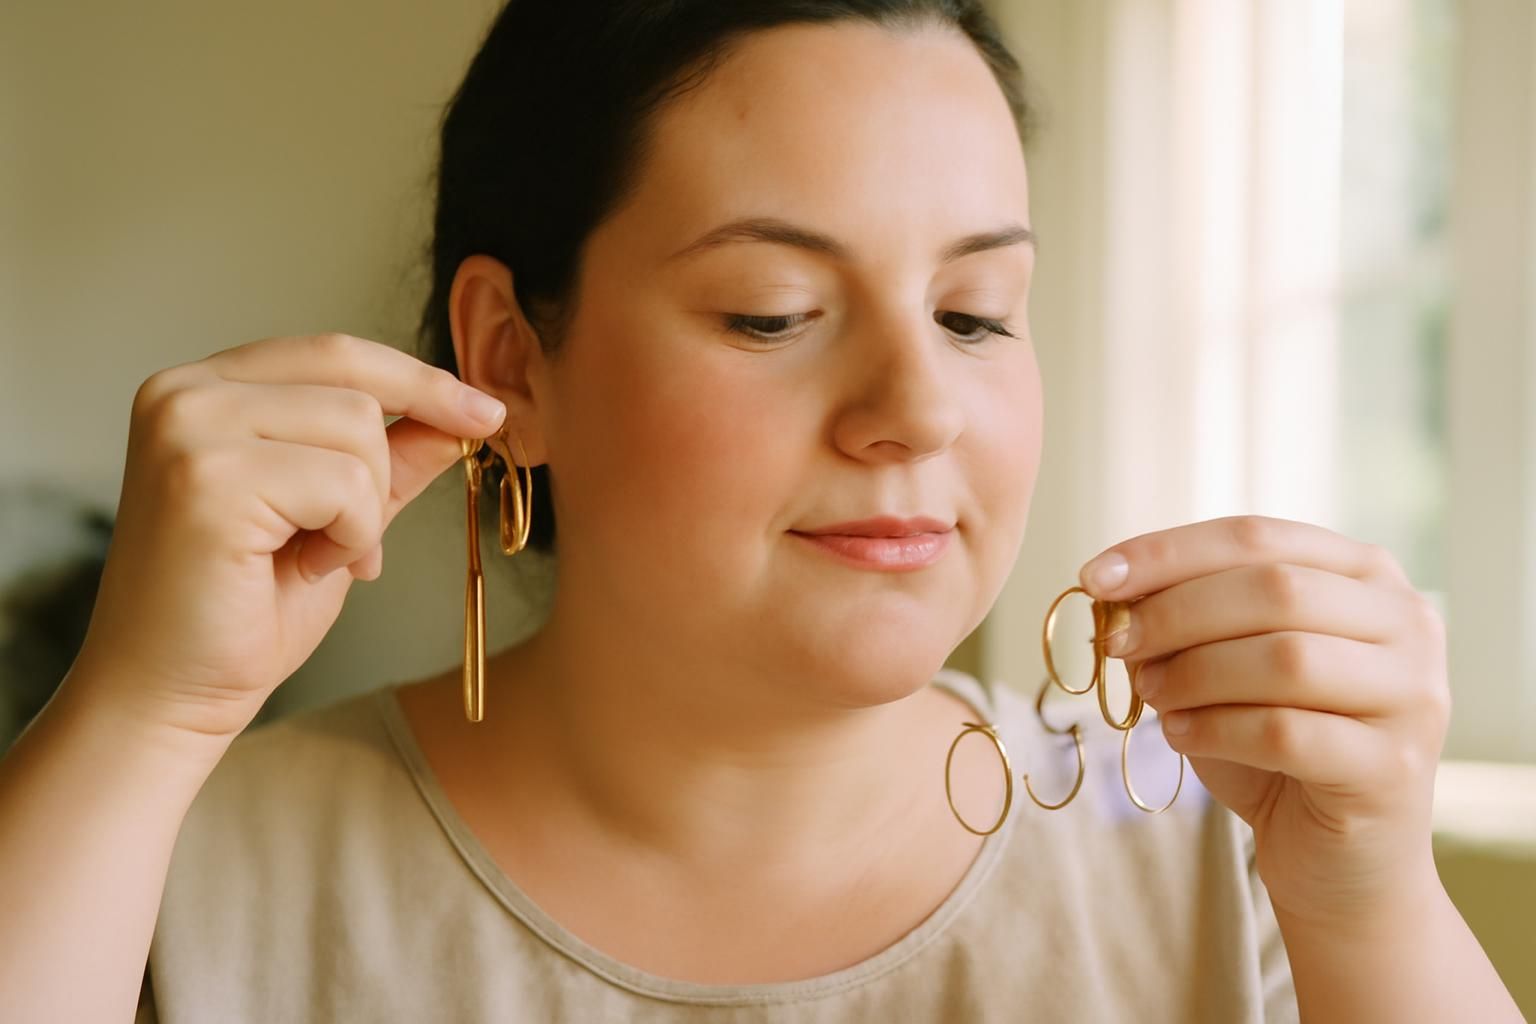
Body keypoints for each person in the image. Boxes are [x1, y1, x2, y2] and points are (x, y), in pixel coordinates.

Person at [0, 1, 1523, 1021]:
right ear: (509, 359)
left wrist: (1369, 896)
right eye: (773, 312)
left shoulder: (1212, 852)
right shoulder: (183, 864)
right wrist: (139, 716)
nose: (920, 407)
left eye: (977, 314)